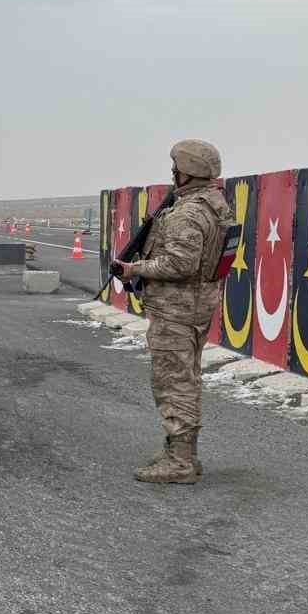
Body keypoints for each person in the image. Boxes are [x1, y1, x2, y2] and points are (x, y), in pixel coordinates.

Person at [112, 139, 231, 484]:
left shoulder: (189, 213)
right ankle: (181, 453)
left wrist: (135, 270)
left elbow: (180, 263)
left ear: (186, 171)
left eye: (176, 167)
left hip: (177, 307)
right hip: (194, 304)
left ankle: (180, 462)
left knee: (173, 381)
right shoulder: (213, 204)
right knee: (185, 377)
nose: (173, 172)